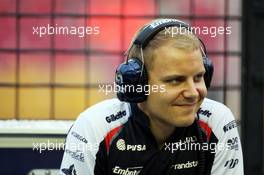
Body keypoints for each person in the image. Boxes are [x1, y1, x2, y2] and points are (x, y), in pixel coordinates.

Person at [60, 18, 243, 175]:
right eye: (175, 80)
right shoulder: (95, 128)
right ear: (137, 84)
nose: (193, 93)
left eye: (198, 77)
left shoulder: (217, 122)